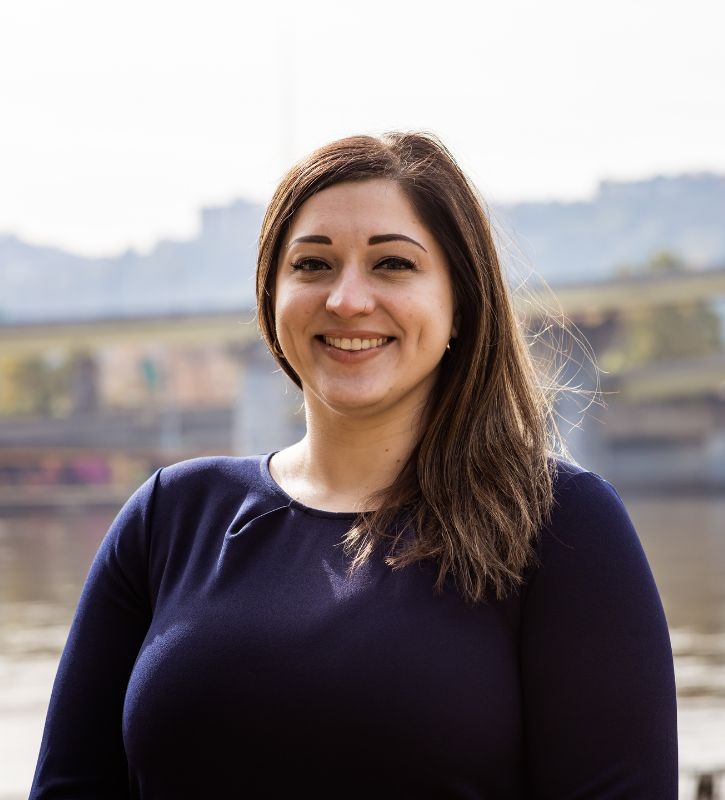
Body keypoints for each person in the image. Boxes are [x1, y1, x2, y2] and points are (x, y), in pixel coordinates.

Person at [30, 132, 678, 799]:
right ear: (270, 296)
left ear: (459, 303)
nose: (346, 300)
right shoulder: (170, 515)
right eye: (311, 266)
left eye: (392, 265)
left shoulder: (563, 525)